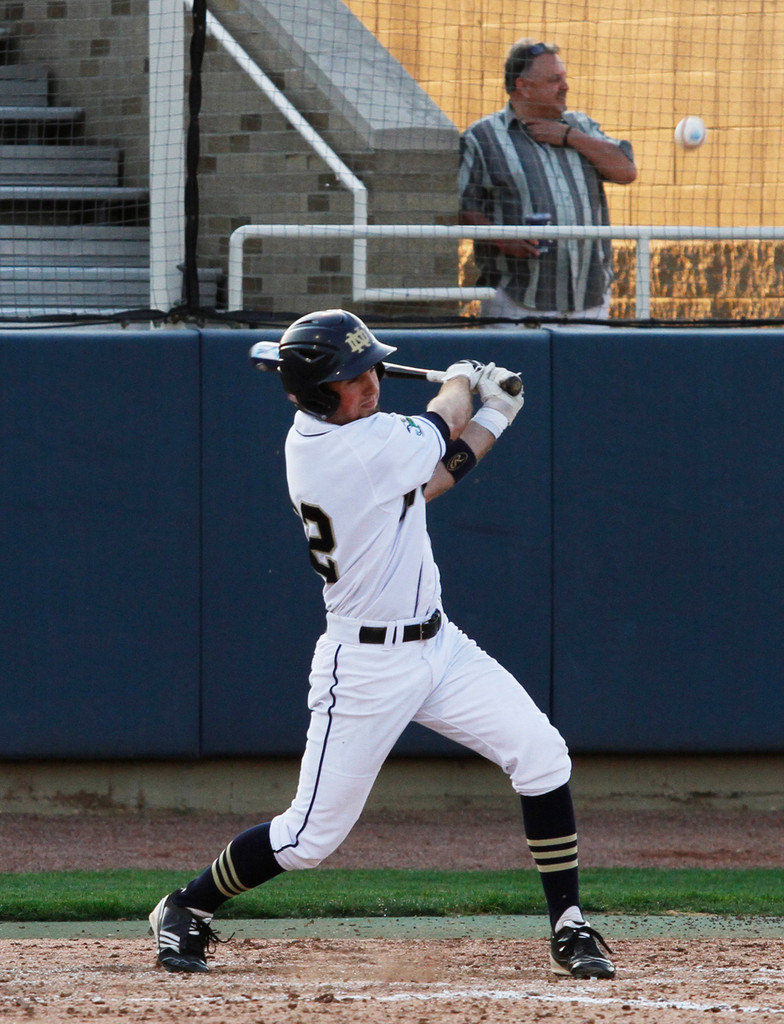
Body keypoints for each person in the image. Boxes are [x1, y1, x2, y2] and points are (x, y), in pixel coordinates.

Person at [148, 308, 615, 980]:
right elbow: (441, 421)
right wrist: (464, 381)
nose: (370, 383)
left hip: (439, 646)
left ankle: (569, 924)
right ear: (317, 395)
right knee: (307, 839)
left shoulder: (364, 440)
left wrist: (496, 415)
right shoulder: (347, 449)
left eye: (370, 368)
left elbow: (432, 479)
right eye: (352, 376)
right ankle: (186, 906)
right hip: (365, 665)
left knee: (541, 754)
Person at [459, 39, 637, 321]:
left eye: (564, 79)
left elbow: (626, 171)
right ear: (524, 86)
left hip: (589, 299)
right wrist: (502, 238)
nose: (565, 87)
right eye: (555, 80)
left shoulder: (581, 126)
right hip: (515, 301)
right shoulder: (483, 138)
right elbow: (462, 206)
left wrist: (570, 137)